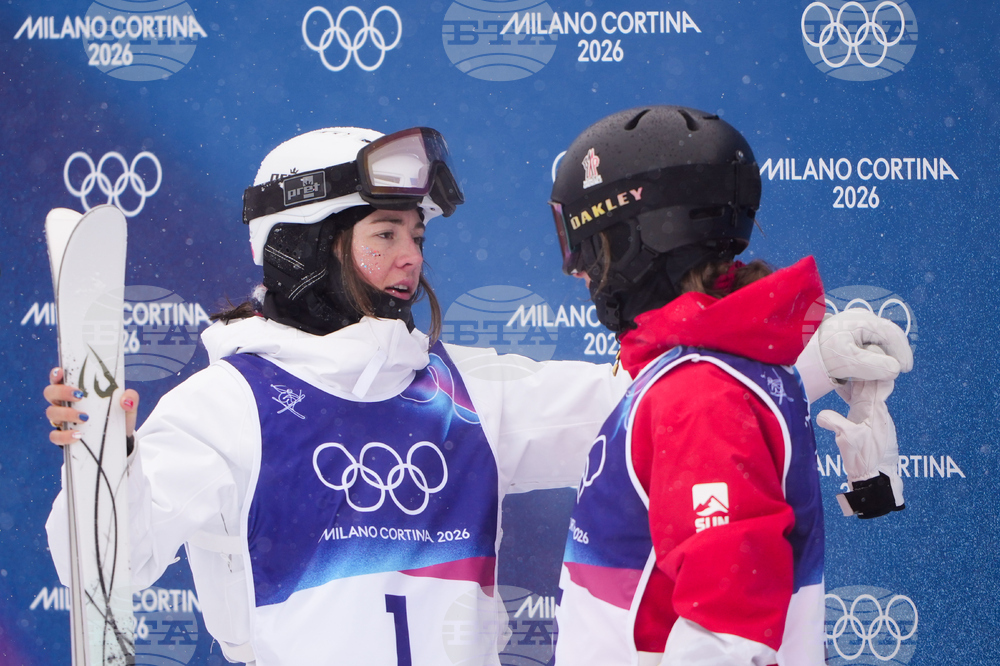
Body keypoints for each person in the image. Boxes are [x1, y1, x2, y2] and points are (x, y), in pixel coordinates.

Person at [43, 124, 909, 666]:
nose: (411, 259)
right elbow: (104, 565)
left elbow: (655, 404)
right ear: (300, 249)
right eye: (384, 235)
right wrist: (102, 465)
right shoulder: (225, 404)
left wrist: (809, 358)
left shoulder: (461, 394)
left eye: (415, 235)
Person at [546, 106, 912, 666]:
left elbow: (728, 631)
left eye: (589, 247)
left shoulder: (697, 394)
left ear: (641, 242)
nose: (579, 272)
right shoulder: (728, 370)